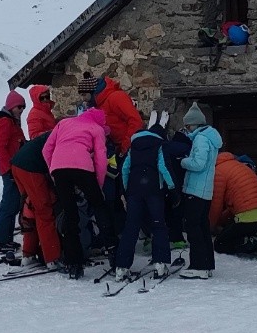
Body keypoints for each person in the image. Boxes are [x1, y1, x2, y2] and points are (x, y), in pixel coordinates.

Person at [42, 106, 115, 278]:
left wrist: (53, 171)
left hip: (59, 169)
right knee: (99, 206)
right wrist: (99, 185)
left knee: (70, 214)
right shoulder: (96, 128)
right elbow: (100, 158)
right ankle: (113, 250)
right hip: (82, 167)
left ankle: (74, 262)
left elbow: (46, 149)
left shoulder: (64, 123)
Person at [112, 123, 175, 280]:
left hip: (134, 192)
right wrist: (173, 188)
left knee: (131, 227)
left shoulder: (133, 147)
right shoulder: (160, 145)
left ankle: (121, 266)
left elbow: (124, 170)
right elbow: (164, 168)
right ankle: (160, 264)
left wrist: (126, 191)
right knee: (158, 225)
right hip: (154, 191)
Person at [178, 102, 223, 278]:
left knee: (194, 228)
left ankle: (198, 265)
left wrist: (183, 161)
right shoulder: (210, 137)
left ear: (194, 124)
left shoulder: (201, 139)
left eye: (188, 126)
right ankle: (206, 264)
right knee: (202, 227)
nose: (187, 129)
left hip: (196, 190)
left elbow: (198, 163)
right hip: (205, 191)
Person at [10, 123, 61, 269]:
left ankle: (29, 254)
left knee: (30, 209)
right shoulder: (67, 137)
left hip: (18, 164)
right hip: (31, 167)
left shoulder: (55, 133)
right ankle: (52, 258)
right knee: (44, 211)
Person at [0, 90, 26, 256]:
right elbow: (0, 148)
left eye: (23, 107)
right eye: (19, 107)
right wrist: (9, 168)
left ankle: (4, 238)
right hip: (9, 169)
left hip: (13, 168)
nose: (21, 110)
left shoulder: (11, 120)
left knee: (13, 204)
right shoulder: (5, 122)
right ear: (11, 106)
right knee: (9, 204)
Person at [210, 150, 257, 254]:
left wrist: (210, 226)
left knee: (220, 244)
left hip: (248, 218)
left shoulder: (218, 171)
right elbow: (236, 205)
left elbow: (215, 206)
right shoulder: (240, 166)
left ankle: (255, 243)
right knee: (239, 231)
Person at [82, 74, 143, 156]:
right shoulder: (99, 105)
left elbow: (135, 121)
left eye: (84, 95)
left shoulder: (116, 97)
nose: (83, 99)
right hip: (118, 148)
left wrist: (125, 147)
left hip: (130, 148)